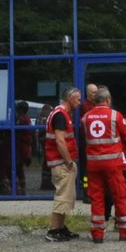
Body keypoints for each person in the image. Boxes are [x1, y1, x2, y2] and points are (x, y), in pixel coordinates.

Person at [80, 88, 126, 243]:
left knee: (97, 198)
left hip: (93, 164)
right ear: (108, 100)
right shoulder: (115, 116)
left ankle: (97, 233)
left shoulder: (85, 118)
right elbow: (125, 136)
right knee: (119, 196)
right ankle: (124, 230)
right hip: (113, 164)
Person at [44, 88, 81, 242]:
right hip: (62, 163)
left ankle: (61, 227)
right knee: (62, 197)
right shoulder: (60, 115)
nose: (79, 103)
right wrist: (68, 161)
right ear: (70, 99)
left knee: (67, 197)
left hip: (62, 162)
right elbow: (60, 141)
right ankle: (53, 230)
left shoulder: (60, 113)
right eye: (78, 99)